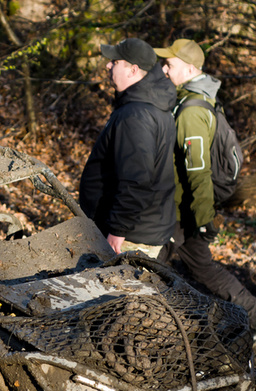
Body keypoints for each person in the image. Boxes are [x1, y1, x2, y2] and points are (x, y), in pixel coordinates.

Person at [154, 38, 256, 346]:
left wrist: (202, 219)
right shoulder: (193, 100)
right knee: (200, 266)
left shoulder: (191, 112)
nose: (164, 69)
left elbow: (198, 171)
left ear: (189, 68)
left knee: (150, 264)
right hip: (183, 207)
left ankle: (153, 330)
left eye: (169, 64)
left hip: (182, 209)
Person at [79, 38, 178, 258]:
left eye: (115, 62)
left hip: (130, 237)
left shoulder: (136, 115)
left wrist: (118, 230)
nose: (108, 65)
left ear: (133, 70)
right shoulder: (151, 106)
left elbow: (136, 178)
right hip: (139, 227)